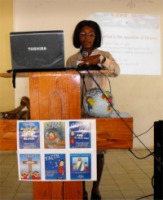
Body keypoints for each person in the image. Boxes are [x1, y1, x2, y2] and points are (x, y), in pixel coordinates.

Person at [66, 20, 120, 200]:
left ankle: (96, 188)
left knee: (98, 152)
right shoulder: (72, 59)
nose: (87, 38)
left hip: (99, 111)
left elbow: (116, 71)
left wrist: (101, 60)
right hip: (78, 111)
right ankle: (81, 189)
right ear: (77, 36)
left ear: (96, 36)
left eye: (91, 34)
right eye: (83, 34)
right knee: (78, 152)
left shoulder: (105, 56)